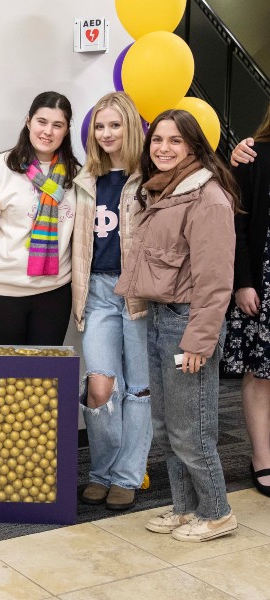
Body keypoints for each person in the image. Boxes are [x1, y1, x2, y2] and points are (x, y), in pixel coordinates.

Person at [115, 109, 239, 542]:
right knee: (167, 427)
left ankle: (218, 511)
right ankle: (187, 508)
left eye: (175, 141)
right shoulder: (163, 192)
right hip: (160, 316)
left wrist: (200, 341)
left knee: (193, 429)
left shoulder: (208, 198)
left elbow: (216, 279)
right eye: (157, 140)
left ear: (194, 147)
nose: (163, 148)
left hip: (189, 321)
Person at [71, 92, 151, 510]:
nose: (106, 134)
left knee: (137, 390)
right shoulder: (84, 180)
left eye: (115, 125)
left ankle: (127, 476)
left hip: (139, 294)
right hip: (98, 293)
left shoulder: (152, 175)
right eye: (99, 126)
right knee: (100, 387)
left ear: (131, 128)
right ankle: (101, 471)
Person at [0, 91, 80, 345]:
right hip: (3, 297)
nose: (48, 131)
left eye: (57, 125)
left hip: (54, 296)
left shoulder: (76, 177)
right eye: (42, 121)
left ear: (66, 130)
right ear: (28, 121)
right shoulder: (0, 170)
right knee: (5, 383)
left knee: (44, 383)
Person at [222, 102, 270, 497]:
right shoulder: (253, 155)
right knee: (260, 373)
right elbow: (236, 224)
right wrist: (243, 282)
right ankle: (261, 457)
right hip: (263, 283)